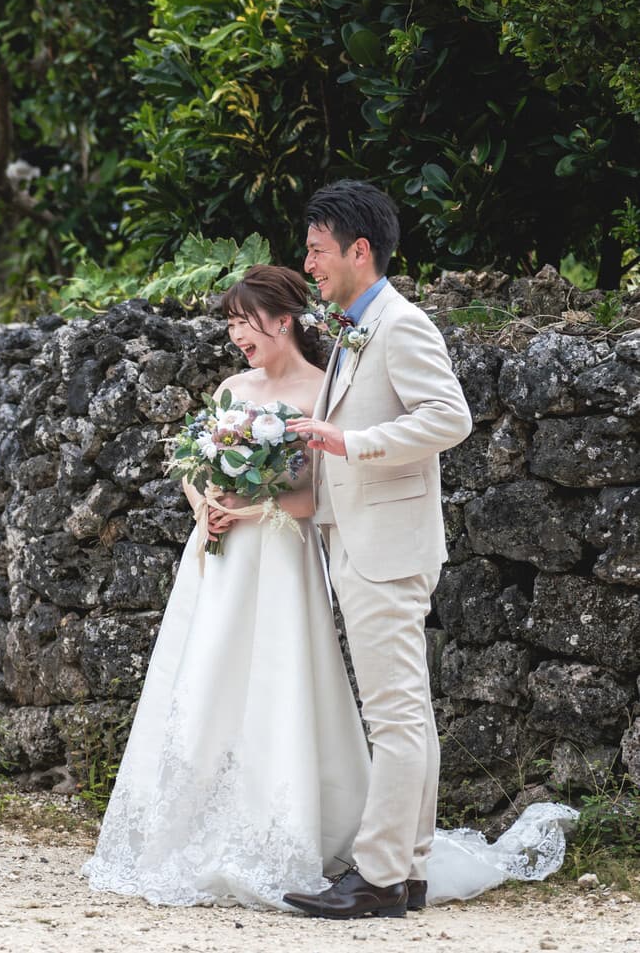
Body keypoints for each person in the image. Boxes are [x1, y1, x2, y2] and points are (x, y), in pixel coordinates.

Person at [82, 265, 371, 909]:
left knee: (280, 674)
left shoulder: (322, 393)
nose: (236, 333)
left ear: (284, 319)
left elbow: (317, 496)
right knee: (207, 672)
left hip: (279, 555)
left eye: (246, 320)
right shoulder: (232, 388)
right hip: (217, 554)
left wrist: (250, 508)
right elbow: (193, 462)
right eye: (232, 321)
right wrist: (201, 506)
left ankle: (290, 826)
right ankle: (189, 826)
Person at [280, 180, 474, 918]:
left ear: (360, 251)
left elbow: (448, 417)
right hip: (362, 542)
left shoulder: (401, 323)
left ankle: (379, 875)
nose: (309, 262)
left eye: (318, 249)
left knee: (394, 716)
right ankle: (407, 867)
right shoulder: (357, 324)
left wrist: (351, 443)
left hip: (386, 548)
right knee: (406, 715)